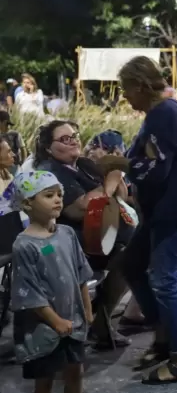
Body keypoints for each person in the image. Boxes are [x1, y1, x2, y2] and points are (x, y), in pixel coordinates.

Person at [118, 56, 177, 384]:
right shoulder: (167, 111)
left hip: (174, 209)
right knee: (132, 265)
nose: (124, 96)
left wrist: (123, 164)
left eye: (125, 88)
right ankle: (164, 336)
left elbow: (157, 169)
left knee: (164, 280)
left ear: (141, 85)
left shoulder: (162, 115)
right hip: (166, 210)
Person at [35, 121, 133, 349]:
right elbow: (82, 209)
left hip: (105, 235)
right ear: (49, 148)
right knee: (132, 257)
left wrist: (116, 175)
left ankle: (101, 315)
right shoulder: (51, 172)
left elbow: (122, 196)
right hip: (75, 243)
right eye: (64, 139)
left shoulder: (85, 164)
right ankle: (100, 317)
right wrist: (110, 182)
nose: (73, 141)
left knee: (138, 252)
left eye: (75, 136)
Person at [7, 171, 94, 393]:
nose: (57, 199)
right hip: (44, 328)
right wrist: (55, 322)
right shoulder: (24, 245)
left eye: (59, 194)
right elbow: (28, 292)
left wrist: (87, 307)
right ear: (27, 203)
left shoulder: (67, 234)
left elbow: (81, 273)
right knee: (44, 380)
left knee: (75, 372)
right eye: (48, 195)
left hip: (73, 323)